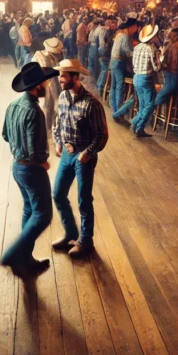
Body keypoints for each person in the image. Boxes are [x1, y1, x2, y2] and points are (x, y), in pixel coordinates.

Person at [1, 62, 59, 276]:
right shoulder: (35, 111)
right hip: (32, 169)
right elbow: (35, 149)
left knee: (29, 210)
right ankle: (14, 254)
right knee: (43, 215)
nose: (46, 85)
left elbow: (5, 135)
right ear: (36, 86)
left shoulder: (13, 105)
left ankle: (25, 258)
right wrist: (41, 161)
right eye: (44, 82)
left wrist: (19, 148)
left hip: (16, 166)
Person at [51, 58, 108, 258]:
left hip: (83, 156)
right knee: (58, 194)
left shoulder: (92, 104)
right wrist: (57, 141)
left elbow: (102, 135)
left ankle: (86, 240)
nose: (60, 79)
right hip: (67, 153)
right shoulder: (64, 97)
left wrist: (87, 153)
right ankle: (70, 233)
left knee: (84, 200)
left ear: (75, 77)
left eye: (63, 76)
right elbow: (57, 123)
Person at [118, 24, 160, 137]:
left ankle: (137, 126)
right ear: (152, 37)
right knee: (150, 105)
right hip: (146, 78)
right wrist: (162, 61)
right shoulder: (151, 48)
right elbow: (156, 68)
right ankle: (137, 124)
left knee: (142, 105)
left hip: (136, 77)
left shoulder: (137, 47)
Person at [152, 27, 178, 114]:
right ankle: (152, 107)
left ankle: (155, 109)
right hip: (175, 74)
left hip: (167, 72)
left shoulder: (168, 44)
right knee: (170, 89)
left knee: (167, 89)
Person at [109, 18, 138, 115]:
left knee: (114, 86)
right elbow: (128, 52)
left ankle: (114, 109)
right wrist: (138, 52)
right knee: (119, 87)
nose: (135, 30)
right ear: (131, 27)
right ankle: (118, 112)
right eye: (135, 27)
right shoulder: (125, 36)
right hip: (118, 62)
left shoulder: (119, 34)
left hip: (113, 61)